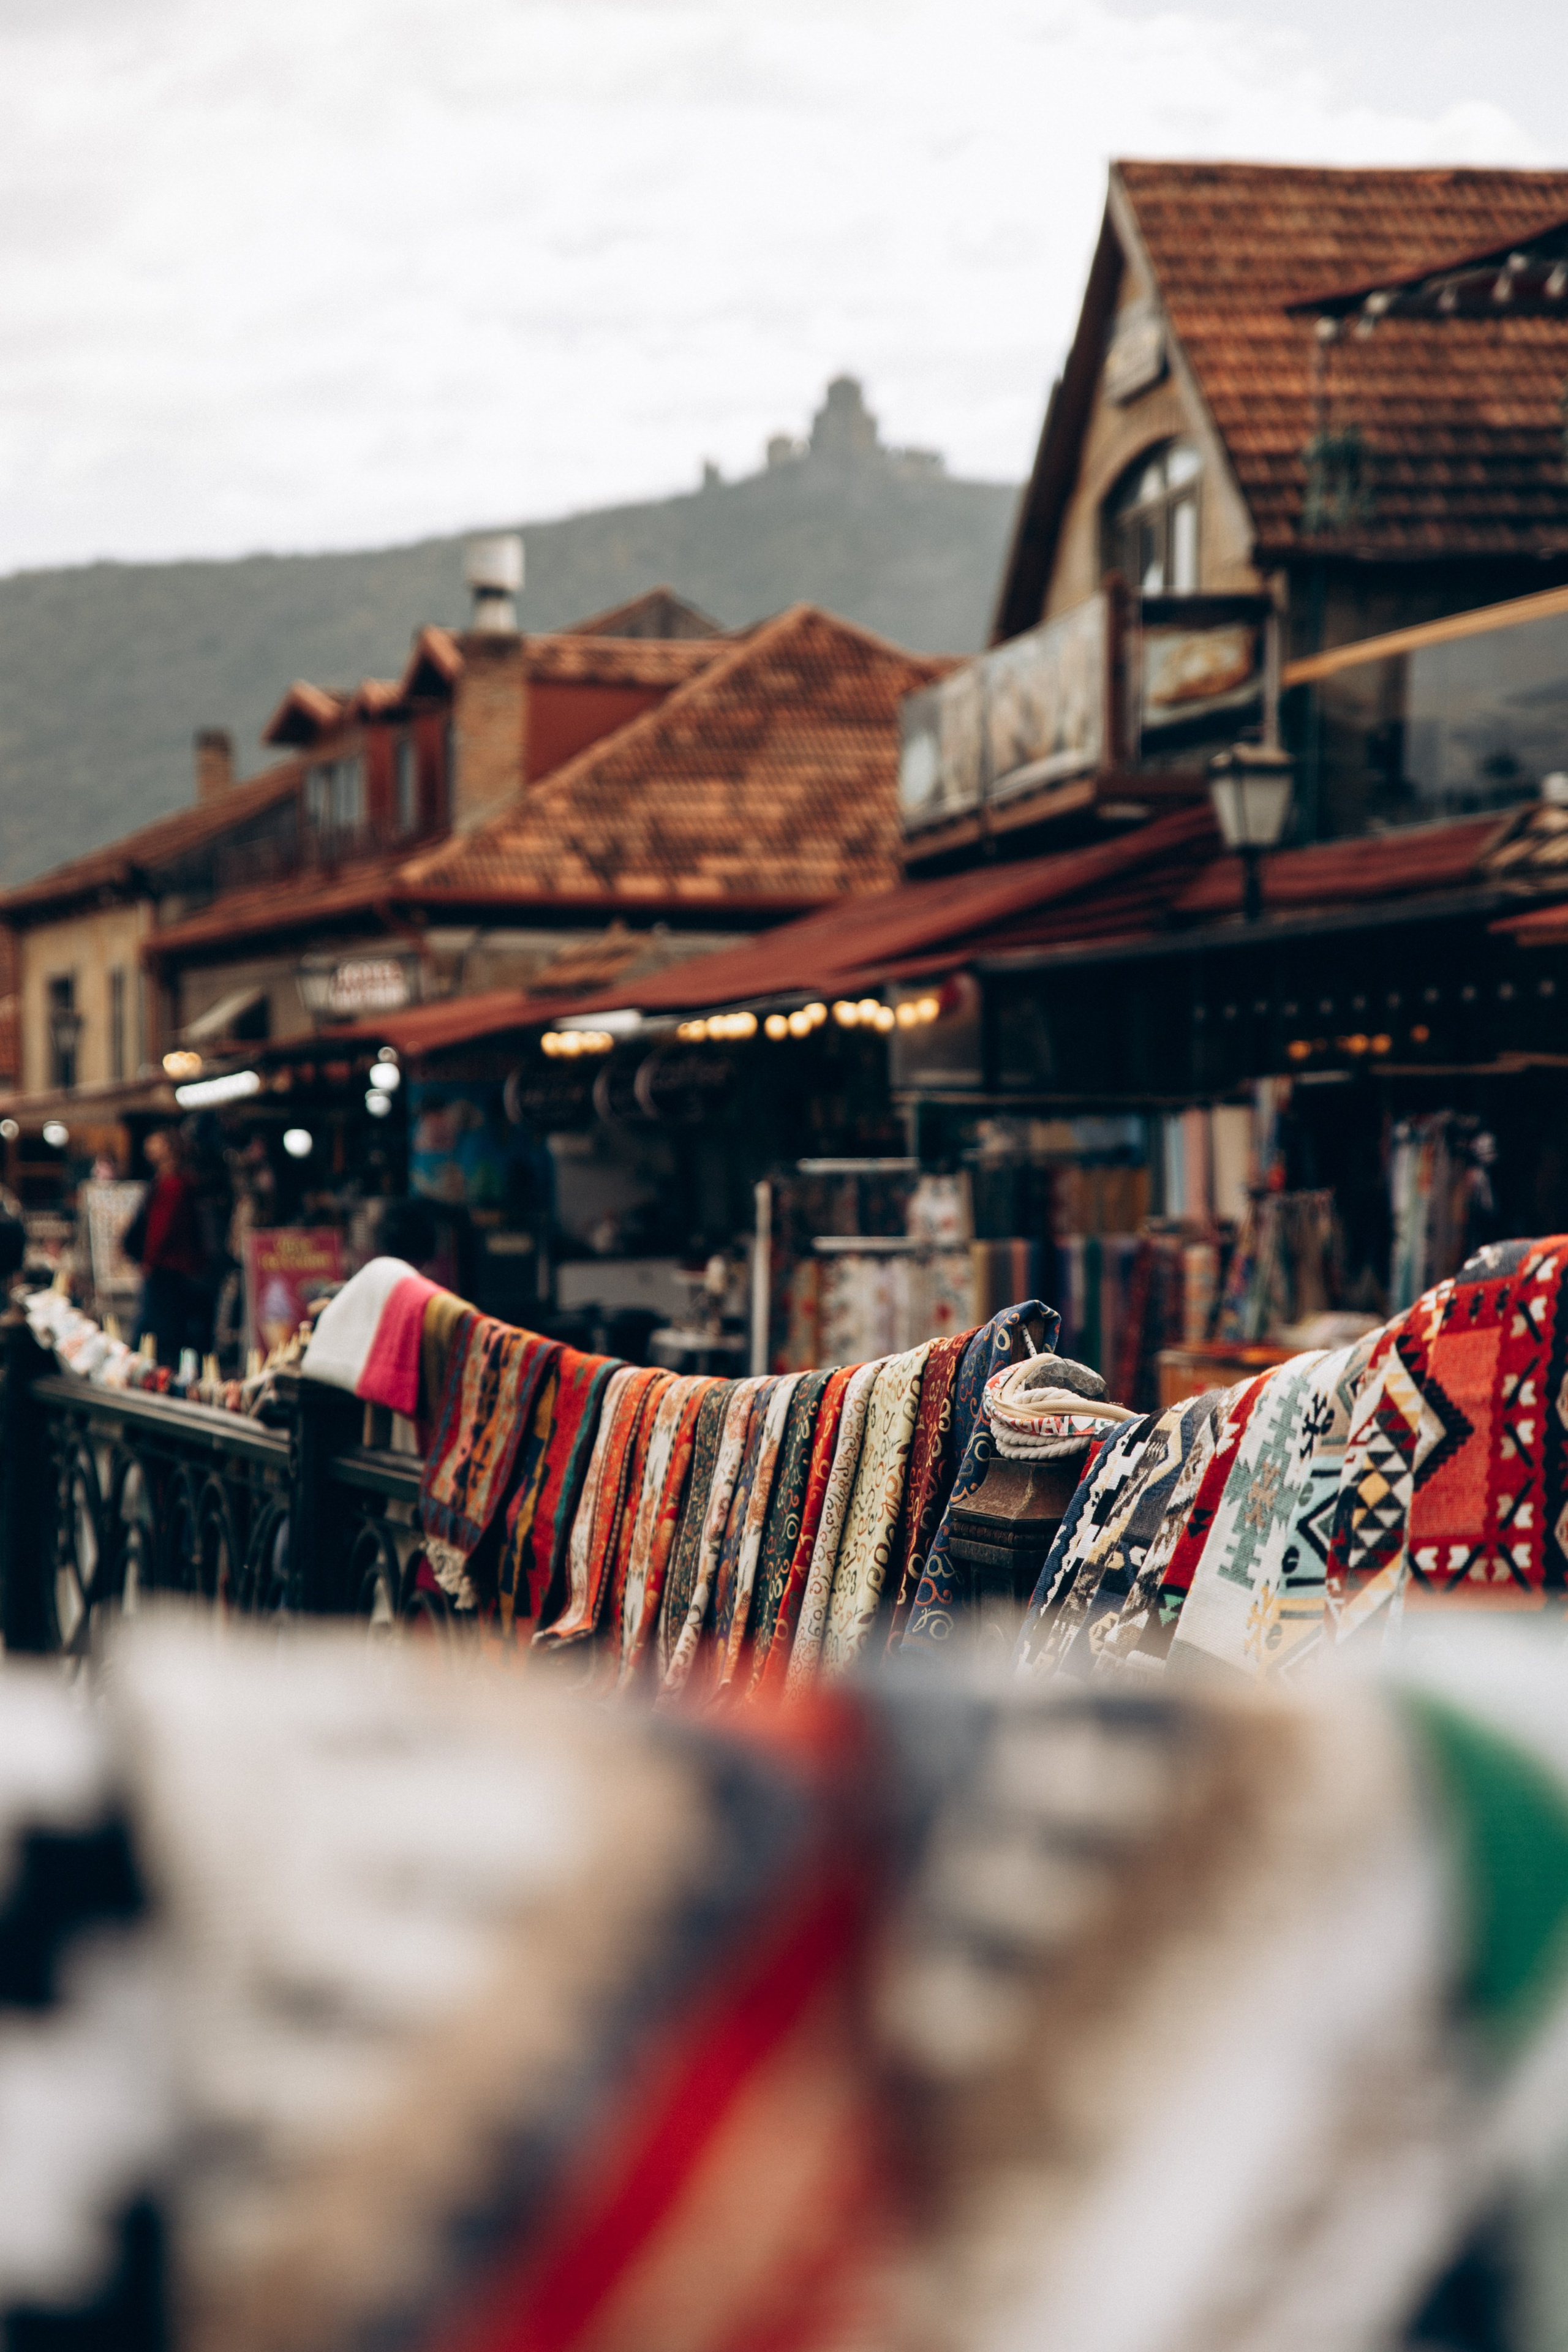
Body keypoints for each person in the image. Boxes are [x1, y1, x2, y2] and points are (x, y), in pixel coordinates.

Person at [124, 1127, 209, 1368]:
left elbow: (162, 1227)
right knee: (165, 1326)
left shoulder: (172, 1184)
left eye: (155, 1143)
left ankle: (154, 1373)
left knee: (160, 1329)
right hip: (173, 1266)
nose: (149, 1147)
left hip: (167, 1267)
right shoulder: (175, 1181)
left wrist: (150, 1260)